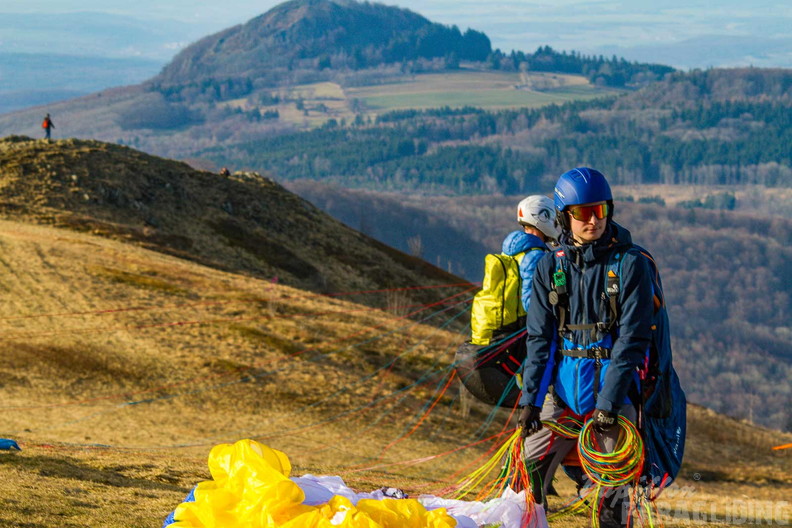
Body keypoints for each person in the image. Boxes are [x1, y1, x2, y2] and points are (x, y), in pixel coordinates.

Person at [519, 167, 654, 527]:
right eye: (582, 212)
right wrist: (529, 402)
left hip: (613, 400)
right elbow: (540, 340)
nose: (592, 220)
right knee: (526, 477)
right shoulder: (550, 266)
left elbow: (632, 341)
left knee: (612, 497)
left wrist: (609, 405)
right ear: (565, 216)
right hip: (561, 401)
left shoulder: (630, 265)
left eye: (600, 210)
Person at [505, 195, 561, 312]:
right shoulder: (535, 256)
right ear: (544, 219)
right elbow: (531, 303)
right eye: (555, 222)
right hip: (525, 325)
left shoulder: (516, 249)